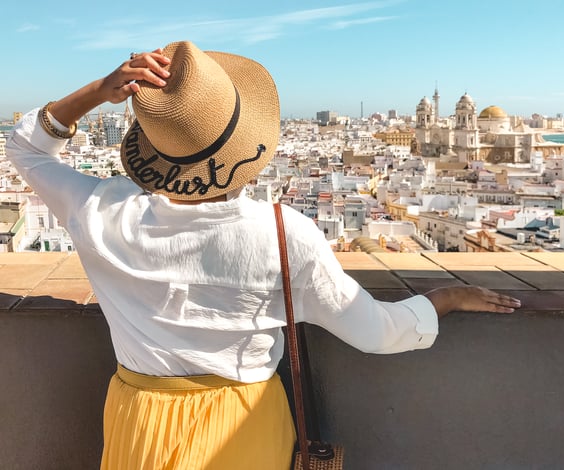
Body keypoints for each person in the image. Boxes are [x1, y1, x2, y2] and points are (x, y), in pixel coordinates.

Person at [7, 41, 520, 469]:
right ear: (246, 146)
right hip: (242, 426)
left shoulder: (99, 210)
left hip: (138, 418)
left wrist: (100, 91)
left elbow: (26, 147)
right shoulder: (280, 234)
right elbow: (376, 333)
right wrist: (447, 297)